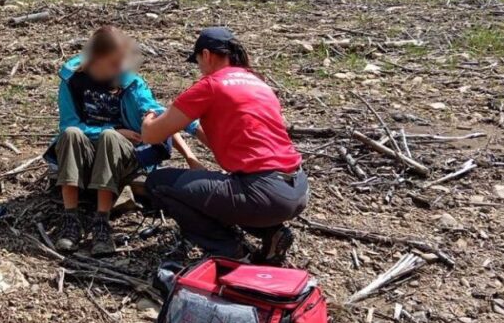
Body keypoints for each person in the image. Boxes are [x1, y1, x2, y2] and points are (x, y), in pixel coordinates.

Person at [140, 27, 308, 264]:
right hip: (296, 188)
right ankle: (272, 234)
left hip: (262, 194)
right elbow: (234, 141)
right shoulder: (257, 82)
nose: (199, 67)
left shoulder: (210, 85)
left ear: (206, 55)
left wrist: (147, 117)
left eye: (198, 60)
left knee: (159, 183)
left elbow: (151, 135)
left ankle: (230, 250)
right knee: (218, 188)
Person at [46, 26, 201, 256]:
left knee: (110, 138)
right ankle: (71, 219)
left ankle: (101, 222)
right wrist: (112, 129)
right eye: (113, 63)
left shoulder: (130, 82)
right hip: (85, 151)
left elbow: (159, 114)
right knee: (70, 133)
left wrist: (192, 150)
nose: (120, 69)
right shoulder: (72, 78)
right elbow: (69, 123)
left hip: (122, 154)